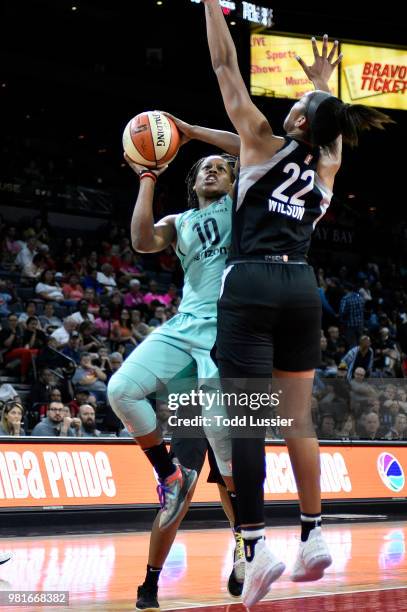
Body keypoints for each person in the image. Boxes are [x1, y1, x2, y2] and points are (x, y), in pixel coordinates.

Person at [202, 2, 393, 605]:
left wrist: (211, 5)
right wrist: (320, 87)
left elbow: (224, 64)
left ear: (301, 125)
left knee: (251, 419)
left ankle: (257, 548)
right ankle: (313, 535)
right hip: (302, 289)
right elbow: (330, 127)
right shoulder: (329, 166)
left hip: (253, 281)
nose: (286, 110)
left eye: (296, 109)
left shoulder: (260, 143)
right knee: (299, 420)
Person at [107, 124, 244, 610]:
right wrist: (147, 177)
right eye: (203, 168)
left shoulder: (242, 205)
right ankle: (150, 579)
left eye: (220, 168)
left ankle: (246, 547)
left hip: (233, 343)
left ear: (233, 180)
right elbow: (143, 240)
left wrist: (186, 132)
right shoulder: (181, 219)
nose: (212, 168)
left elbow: (250, 141)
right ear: (192, 184)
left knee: (234, 472)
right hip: (187, 333)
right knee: (176, 482)